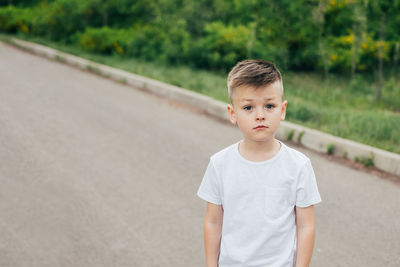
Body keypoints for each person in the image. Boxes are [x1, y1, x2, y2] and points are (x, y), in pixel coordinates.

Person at [197, 59, 322, 267]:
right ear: (232, 113)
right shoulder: (220, 164)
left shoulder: (298, 166)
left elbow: (306, 226)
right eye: (248, 107)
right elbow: (213, 221)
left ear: (282, 110)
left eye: (269, 106)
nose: (260, 115)